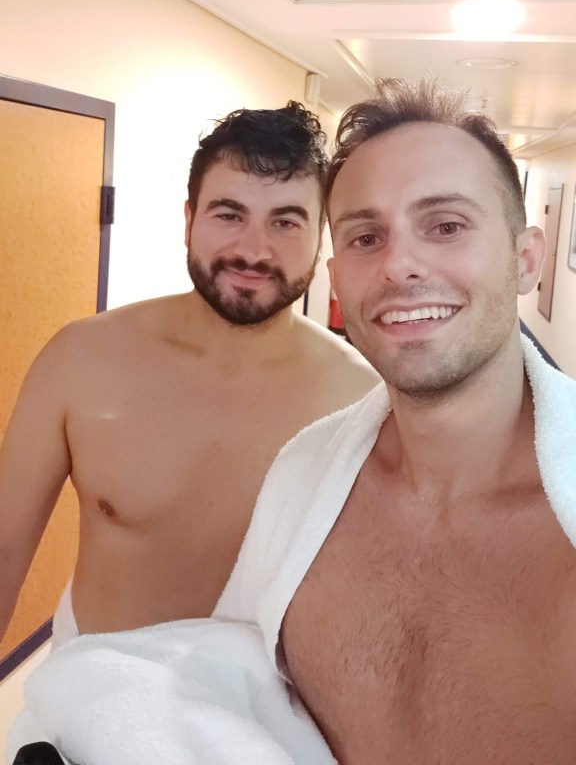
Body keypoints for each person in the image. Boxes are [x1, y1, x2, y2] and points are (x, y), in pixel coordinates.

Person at [219, 79, 576, 765]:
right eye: (366, 237)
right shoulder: (302, 477)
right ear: (336, 277)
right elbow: (233, 697)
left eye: (446, 226)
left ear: (526, 259)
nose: (399, 265)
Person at [0, 100, 377, 650]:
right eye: (229, 214)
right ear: (188, 220)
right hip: (92, 688)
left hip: (262, 699)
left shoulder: (361, 400)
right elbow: (4, 551)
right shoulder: (81, 360)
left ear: (320, 237)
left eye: (285, 221)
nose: (253, 250)